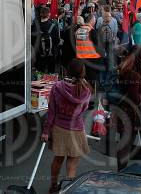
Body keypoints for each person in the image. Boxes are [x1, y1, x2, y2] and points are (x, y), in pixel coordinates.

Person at [41, 60, 92, 194]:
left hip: (59, 127)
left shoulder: (57, 87)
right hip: (76, 128)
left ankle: (53, 186)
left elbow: (51, 110)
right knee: (72, 163)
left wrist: (46, 131)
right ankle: (68, 189)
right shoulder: (86, 90)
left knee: (58, 159)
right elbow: (84, 109)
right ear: (82, 72)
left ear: (68, 70)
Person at [116, 46, 141, 171]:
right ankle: (121, 170)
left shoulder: (123, 68)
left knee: (124, 142)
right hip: (130, 113)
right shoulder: (134, 75)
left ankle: (121, 168)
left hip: (121, 109)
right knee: (126, 144)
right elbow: (136, 98)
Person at [75, 12, 102, 91]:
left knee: (83, 79)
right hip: (92, 59)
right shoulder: (92, 31)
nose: (95, 22)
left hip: (81, 58)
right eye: (94, 20)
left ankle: (83, 94)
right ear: (91, 20)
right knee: (91, 80)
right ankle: (91, 98)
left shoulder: (78, 30)